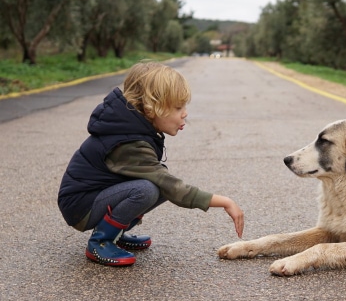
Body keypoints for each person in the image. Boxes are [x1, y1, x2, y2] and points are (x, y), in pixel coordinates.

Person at [57, 61, 244, 266]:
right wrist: (224, 201)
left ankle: (115, 233)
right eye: (178, 107)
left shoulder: (133, 130)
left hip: (94, 197)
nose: (185, 113)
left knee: (159, 184)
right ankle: (101, 241)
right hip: (81, 207)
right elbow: (172, 187)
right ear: (151, 108)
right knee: (149, 188)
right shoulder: (128, 142)